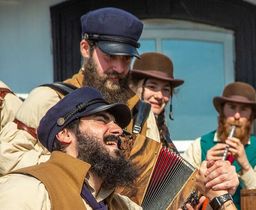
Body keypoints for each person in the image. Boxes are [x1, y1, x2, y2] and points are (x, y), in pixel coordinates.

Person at [0, 7, 161, 175]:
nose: (119, 68)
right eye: (110, 56)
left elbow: (154, 175)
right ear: (85, 48)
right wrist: (73, 171)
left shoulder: (141, 112)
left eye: (126, 59)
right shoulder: (50, 98)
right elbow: (8, 157)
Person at [0, 87, 143, 209]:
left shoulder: (124, 205)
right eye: (101, 120)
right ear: (65, 134)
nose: (118, 130)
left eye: (116, 123)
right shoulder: (26, 191)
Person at [183, 81, 256, 209]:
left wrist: (246, 167)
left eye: (243, 109)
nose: (237, 116)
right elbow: (180, 193)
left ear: (251, 116)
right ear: (222, 111)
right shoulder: (199, 145)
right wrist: (205, 167)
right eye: (232, 107)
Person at [129, 52, 184, 151]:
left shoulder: (163, 132)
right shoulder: (123, 124)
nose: (159, 96)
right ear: (134, 87)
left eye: (166, 90)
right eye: (152, 87)